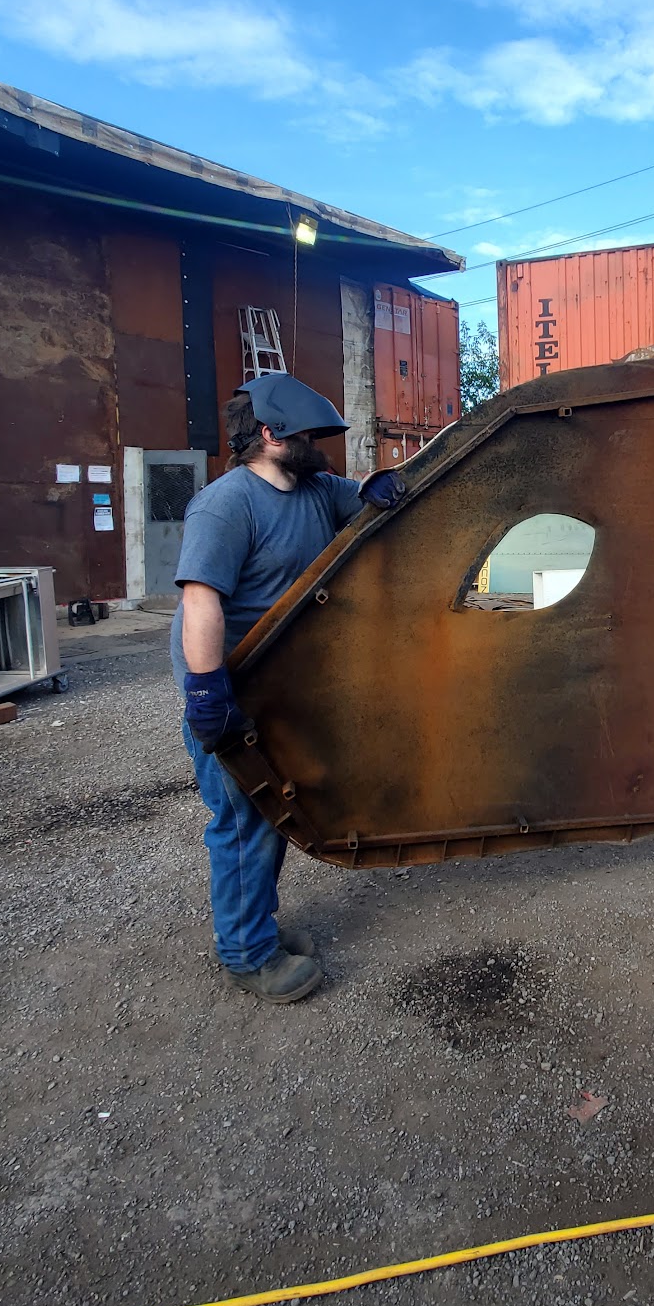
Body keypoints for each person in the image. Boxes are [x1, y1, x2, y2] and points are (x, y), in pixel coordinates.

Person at [174, 374, 405, 1003]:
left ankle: (255, 929)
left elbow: (360, 493)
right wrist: (206, 692)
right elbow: (200, 602)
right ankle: (246, 956)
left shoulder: (313, 488)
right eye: (306, 435)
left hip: (277, 678)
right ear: (271, 435)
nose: (316, 446)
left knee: (272, 810)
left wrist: (378, 487)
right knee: (242, 817)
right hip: (230, 683)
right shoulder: (226, 505)